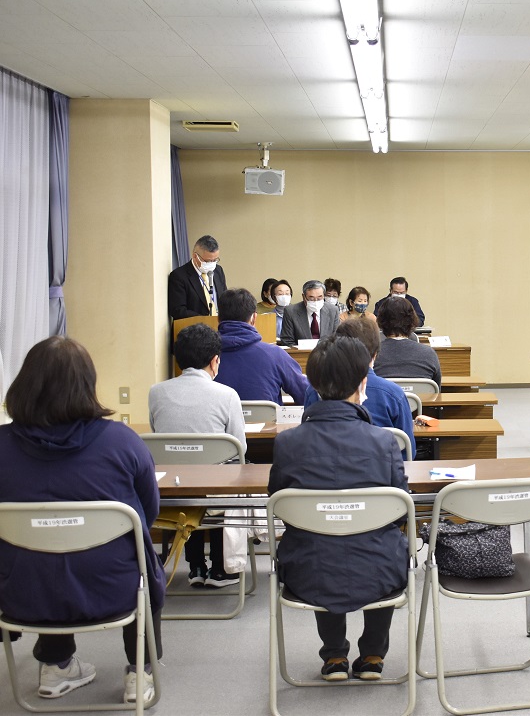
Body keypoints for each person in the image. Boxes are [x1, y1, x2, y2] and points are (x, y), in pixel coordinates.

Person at [0, 337, 164, 704]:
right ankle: (141, 672)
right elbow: (147, 515)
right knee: (141, 557)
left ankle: (56, 666)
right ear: (87, 383)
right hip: (113, 586)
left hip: (22, 589)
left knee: (44, 555)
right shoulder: (122, 441)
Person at [269, 335, 409, 682]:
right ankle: (373, 654)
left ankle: (334, 657)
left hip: (307, 571)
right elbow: (400, 507)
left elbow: (279, 502)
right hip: (380, 572)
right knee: (383, 545)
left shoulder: (287, 443)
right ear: (364, 383)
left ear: (312, 385)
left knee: (319, 540)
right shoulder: (383, 441)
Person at [148, 323, 247, 588]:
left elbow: (156, 434)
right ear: (215, 360)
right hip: (215, 489)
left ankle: (195, 567)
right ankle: (220, 569)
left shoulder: (156, 392)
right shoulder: (227, 395)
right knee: (224, 478)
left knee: (190, 478)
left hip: (171, 488)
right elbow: (240, 448)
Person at [304, 315, 416, 459]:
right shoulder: (393, 394)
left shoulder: (315, 389)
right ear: (375, 354)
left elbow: (307, 436)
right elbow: (408, 452)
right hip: (382, 474)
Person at [214, 288, 308, 404]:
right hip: (267, 421)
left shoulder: (204, 357)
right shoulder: (275, 354)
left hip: (219, 422)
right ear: (254, 318)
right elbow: (306, 394)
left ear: (218, 319)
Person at [373, 297, 441, 385]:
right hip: (422, 399)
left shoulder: (371, 354)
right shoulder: (429, 354)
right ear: (412, 321)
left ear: (381, 322)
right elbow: (436, 391)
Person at [168, 234, 227, 319]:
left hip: (219, 327)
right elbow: (178, 310)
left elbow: (224, 300)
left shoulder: (218, 271)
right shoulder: (179, 276)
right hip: (194, 329)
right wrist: (205, 319)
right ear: (195, 256)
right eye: (208, 261)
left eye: (215, 260)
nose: (212, 264)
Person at [280, 280, 340, 347]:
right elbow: (287, 340)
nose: (316, 301)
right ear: (303, 297)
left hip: (326, 354)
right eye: (311, 298)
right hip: (301, 355)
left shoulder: (333, 311)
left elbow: (337, 338)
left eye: (319, 298)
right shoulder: (291, 312)